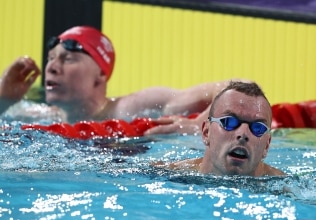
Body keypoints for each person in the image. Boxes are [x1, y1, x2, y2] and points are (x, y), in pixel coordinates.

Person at [0, 25, 245, 135]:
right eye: (51, 58)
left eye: (68, 59)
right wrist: (4, 98)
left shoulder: (131, 107)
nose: (52, 67)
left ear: (101, 75)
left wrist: (199, 126)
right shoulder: (43, 116)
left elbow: (238, 86)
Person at [156, 81, 285, 176]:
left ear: (266, 146)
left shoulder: (285, 187)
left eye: (258, 128)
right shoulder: (166, 174)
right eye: (229, 122)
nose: (243, 134)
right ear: (206, 132)